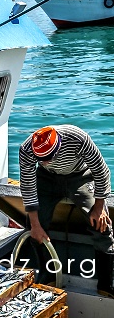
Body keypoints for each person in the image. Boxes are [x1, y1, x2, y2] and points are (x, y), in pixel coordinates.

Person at [19, 124, 114, 294]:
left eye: (49, 157)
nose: (45, 162)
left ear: (59, 146)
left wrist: (99, 207)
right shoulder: (26, 149)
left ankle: (107, 283)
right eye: (41, 159)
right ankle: (48, 275)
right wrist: (35, 225)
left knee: (101, 223)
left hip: (80, 176)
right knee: (34, 225)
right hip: (47, 178)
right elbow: (27, 186)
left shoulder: (78, 138)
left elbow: (101, 171)